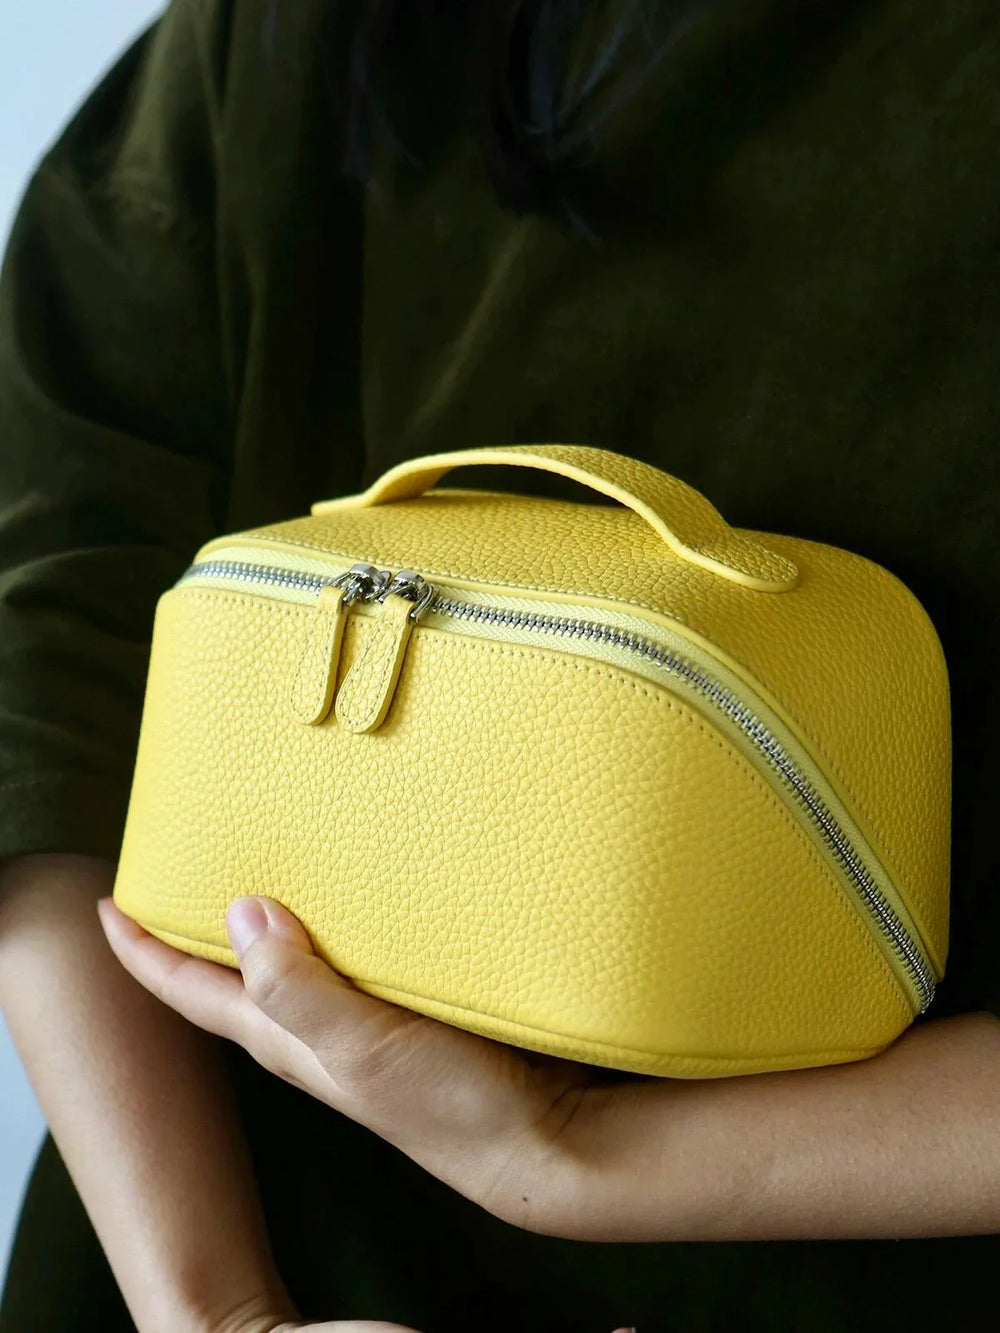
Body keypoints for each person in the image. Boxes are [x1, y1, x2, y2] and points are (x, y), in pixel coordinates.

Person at [0, 0, 998, 1329]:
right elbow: (43, 677)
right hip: (214, 1235)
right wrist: (219, 1309)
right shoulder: (285, 42)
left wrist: (574, 1151)